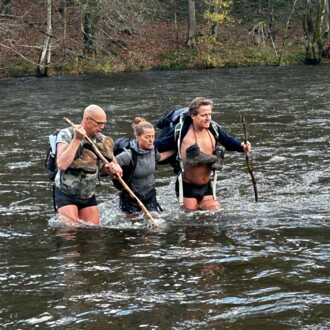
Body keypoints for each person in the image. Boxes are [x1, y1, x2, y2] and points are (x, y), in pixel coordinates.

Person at [176, 97, 251, 211]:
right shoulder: (181, 131)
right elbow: (160, 146)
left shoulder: (213, 128)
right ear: (193, 116)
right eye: (204, 115)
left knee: (213, 215)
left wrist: (241, 146)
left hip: (206, 185)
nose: (208, 118)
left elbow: (228, 140)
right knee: (191, 222)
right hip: (187, 185)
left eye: (209, 114)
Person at [54, 104, 122, 225]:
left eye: (104, 123)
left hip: (88, 194)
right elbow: (61, 164)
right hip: (66, 192)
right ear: (87, 119)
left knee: (92, 235)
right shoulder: (67, 134)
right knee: (70, 232)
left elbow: (115, 167)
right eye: (98, 123)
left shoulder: (101, 140)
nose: (102, 127)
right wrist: (77, 140)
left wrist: (113, 170)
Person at [110, 117, 173, 214]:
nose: (151, 140)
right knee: (133, 224)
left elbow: (160, 157)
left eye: (153, 136)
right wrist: (112, 170)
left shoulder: (153, 150)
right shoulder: (128, 155)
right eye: (147, 137)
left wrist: (176, 150)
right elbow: (107, 167)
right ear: (138, 137)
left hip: (150, 194)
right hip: (131, 196)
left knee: (156, 221)